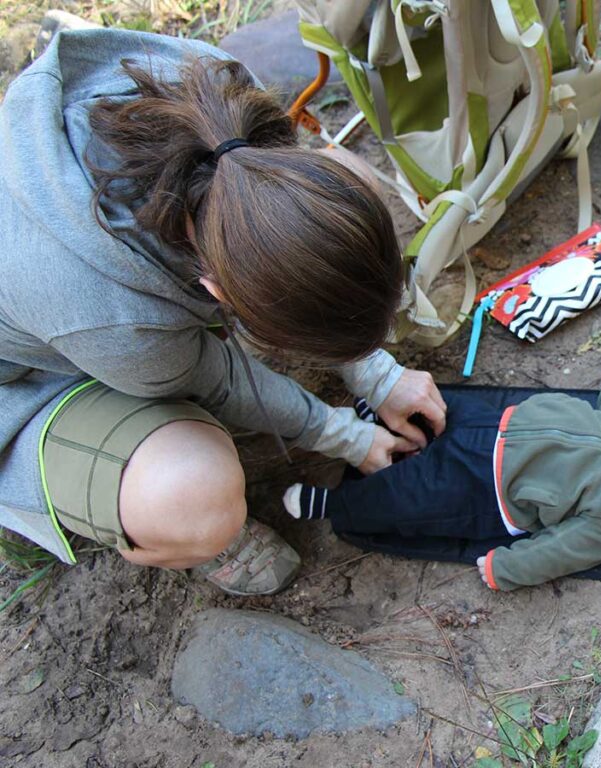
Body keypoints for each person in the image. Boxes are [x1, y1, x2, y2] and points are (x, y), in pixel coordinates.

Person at [0, 27, 447, 596]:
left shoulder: (230, 110)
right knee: (194, 494)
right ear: (215, 288)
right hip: (22, 380)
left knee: (354, 179)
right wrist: (343, 436)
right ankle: (183, 531)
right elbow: (218, 377)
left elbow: (297, 233)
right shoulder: (119, 320)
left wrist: (376, 372)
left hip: (56, 293)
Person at [283, 336, 601, 591]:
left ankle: (336, 504)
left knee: (408, 499)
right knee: (440, 415)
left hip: (485, 492)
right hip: (498, 425)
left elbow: (560, 550)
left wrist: (507, 569)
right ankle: (384, 422)